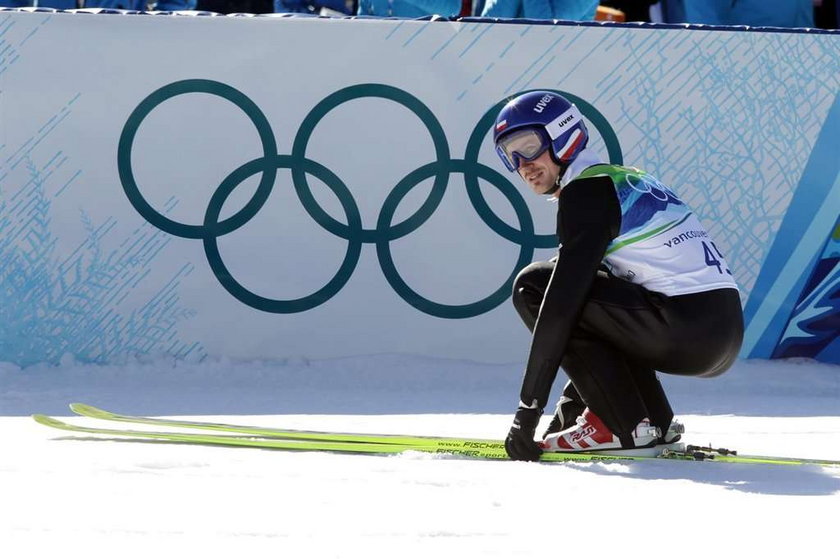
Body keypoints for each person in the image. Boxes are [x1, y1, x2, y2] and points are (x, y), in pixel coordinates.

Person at [493, 90, 744, 461]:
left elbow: (560, 310)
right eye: (508, 154)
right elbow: (598, 323)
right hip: (717, 332)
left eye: (528, 146)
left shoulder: (586, 193)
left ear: (563, 136)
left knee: (534, 285)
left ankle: (623, 425)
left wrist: (526, 414)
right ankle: (652, 423)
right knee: (588, 288)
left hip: (686, 329)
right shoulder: (618, 179)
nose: (522, 163)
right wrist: (560, 425)